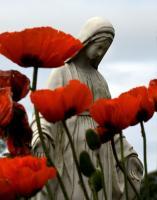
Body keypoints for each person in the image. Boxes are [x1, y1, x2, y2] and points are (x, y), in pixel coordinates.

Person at [30, 17, 143, 200]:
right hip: (71, 144)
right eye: (99, 46)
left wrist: (126, 151)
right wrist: (41, 137)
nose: (100, 52)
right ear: (87, 41)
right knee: (75, 192)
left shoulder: (101, 81)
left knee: (98, 193)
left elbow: (109, 118)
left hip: (100, 148)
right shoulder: (62, 71)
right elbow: (45, 109)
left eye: (105, 50)